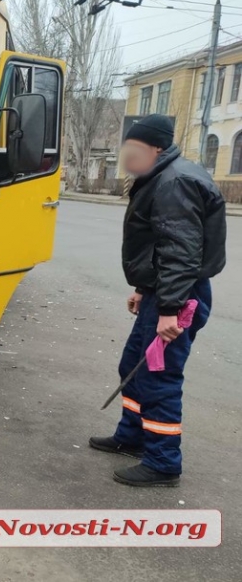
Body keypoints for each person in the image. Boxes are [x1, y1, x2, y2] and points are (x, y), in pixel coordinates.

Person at [89, 114, 227, 488]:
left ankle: (164, 462)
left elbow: (180, 251)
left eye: (134, 150)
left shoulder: (175, 181)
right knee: (133, 364)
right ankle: (133, 436)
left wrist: (168, 308)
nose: (127, 158)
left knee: (158, 375)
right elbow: (158, 245)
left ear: (157, 149)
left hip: (179, 296)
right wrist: (144, 288)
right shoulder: (163, 175)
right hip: (163, 291)